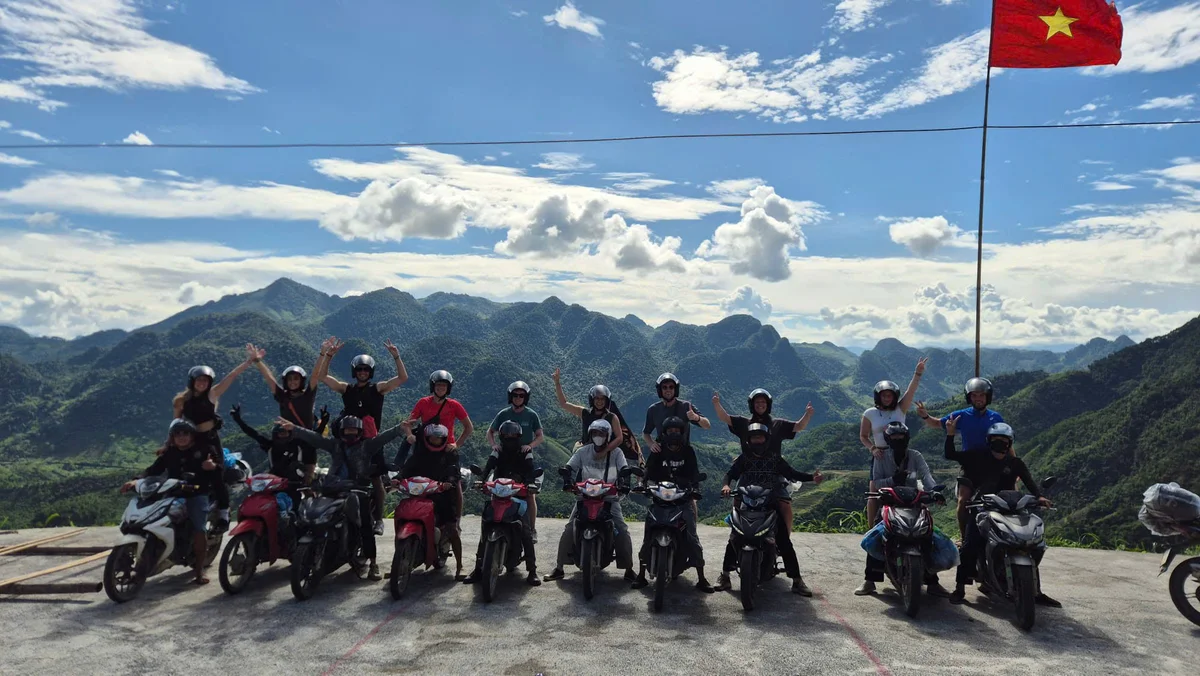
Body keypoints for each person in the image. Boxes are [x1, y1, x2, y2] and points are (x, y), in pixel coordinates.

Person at [943, 418, 1060, 608]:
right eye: (996, 440)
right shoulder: (977, 456)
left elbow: (1029, 482)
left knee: (1030, 544)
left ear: (1010, 443)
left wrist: (1039, 496)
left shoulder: (1015, 463)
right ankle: (959, 589)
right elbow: (950, 454)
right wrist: (950, 434)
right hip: (982, 506)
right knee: (970, 544)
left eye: (1005, 441)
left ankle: (1035, 591)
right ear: (989, 441)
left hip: (1011, 507)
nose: (1001, 444)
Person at [277, 415, 405, 581]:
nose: (350, 433)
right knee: (311, 514)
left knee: (365, 525)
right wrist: (295, 429)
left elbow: (383, 438)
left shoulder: (367, 446)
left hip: (357, 489)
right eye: (347, 430)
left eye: (353, 430)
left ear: (359, 431)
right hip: (333, 488)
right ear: (342, 431)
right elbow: (316, 439)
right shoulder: (335, 445)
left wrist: (399, 428)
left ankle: (373, 564)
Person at [717, 422, 824, 596]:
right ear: (749, 440)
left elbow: (792, 473)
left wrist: (812, 477)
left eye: (760, 437)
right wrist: (725, 486)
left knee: (783, 540)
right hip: (747, 504)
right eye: (754, 437)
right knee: (734, 538)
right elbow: (730, 474)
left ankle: (797, 580)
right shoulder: (744, 458)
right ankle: (725, 576)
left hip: (769, 505)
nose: (757, 441)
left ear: (766, 440)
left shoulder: (774, 459)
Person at [322, 339, 408, 537]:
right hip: (349, 441)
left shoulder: (378, 389)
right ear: (354, 371)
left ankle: (378, 519)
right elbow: (323, 377)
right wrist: (328, 355)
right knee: (340, 476)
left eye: (366, 370)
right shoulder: (346, 389)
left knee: (376, 480)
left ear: (371, 372)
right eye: (359, 370)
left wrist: (396, 356)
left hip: (371, 442)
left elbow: (402, 378)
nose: (363, 373)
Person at [854, 421, 950, 597]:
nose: (898, 440)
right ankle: (870, 580)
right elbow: (876, 482)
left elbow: (926, 476)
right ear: (888, 439)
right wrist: (893, 480)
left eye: (901, 437)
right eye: (894, 437)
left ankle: (933, 582)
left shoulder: (915, 456)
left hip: (913, 501)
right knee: (878, 533)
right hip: (890, 502)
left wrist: (934, 491)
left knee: (927, 534)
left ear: (907, 438)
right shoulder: (880, 457)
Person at [121, 418, 223, 585]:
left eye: (185, 433)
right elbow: (153, 470)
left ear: (192, 435)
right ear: (173, 437)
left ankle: (199, 570)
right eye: (178, 434)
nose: (182, 437)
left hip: (197, 493)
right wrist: (136, 480)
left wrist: (212, 466)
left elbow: (218, 467)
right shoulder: (170, 453)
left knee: (199, 527)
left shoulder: (205, 450)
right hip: (172, 492)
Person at [712, 389, 815, 549]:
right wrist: (717, 404)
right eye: (757, 402)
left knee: (784, 504)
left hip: (774, 473)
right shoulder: (743, 423)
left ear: (768, 405)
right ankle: (736, 536)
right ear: (752, 405)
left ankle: (784, 541)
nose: (760, 405)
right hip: (749, 472)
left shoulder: (778, 424)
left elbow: (798, 426)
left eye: (763, 402)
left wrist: (807, 414)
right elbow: (724, 418)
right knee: (738, 501)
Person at [172, 346, 259, 532]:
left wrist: (249, 362)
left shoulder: (212, 395)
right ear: (192, 381)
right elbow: (176, 425)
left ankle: (223, 513)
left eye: (205, 380)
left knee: (216, 475)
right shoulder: (181, 400)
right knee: (177, 470)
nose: (202, 383)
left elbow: (231, 376)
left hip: (210, 441)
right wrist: (168, 444)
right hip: (190, 442)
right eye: (199, 380)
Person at [543, 419, 637, 582]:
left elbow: (624, 469)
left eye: (601, 433)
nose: (598, 436)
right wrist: (567, 478)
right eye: (595, 433)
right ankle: (559, 568)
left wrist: (625, 483)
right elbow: (569, 467)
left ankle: (628, 569)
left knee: (621, 529)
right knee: (569, 528)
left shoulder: (616, 453)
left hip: (609, 497)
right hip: (585, 496)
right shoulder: (583, 451)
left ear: (608, 436)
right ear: (590, 435)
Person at [630, 416, 714, 592]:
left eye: (677, 431)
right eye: (670, 431)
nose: (674, 434)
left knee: (692, 536)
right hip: (660, 499)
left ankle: (701, 576)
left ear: (682, 433)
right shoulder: (658, 451)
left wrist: (695, 488)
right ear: (664, 433)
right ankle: (641, 574)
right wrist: (642, 485)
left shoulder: (688, 451)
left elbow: (695, 474)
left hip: (682, 501)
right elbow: (648, 471)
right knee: (648, 534)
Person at [917, 377, 1005, 540]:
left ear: (988, 397)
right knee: (963, 501)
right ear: (969, 398)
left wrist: (1013, 464)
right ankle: (965, 538)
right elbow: (937, 424)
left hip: (993, 465)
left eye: (981, 395)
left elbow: (1006, 442)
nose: (978, 399)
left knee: (1009, 498)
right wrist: (925, 416)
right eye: (974, 395)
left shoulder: (996, 418)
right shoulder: (961, 416)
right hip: (969, 465)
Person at [463, 420, 541, 587]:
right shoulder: (498, 451)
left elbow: (530, 470)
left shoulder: (525, 451)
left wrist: (529, 484)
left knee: (525, 530)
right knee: (486, 526)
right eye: (506, 436)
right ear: (501, 437)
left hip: (517, 494)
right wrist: (481, 480)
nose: (509, 438)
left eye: (513, 436)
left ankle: (532, 570)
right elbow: (488, 468)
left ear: (519, 437)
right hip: (499, 493)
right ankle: (478, 568)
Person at [408, 370, 474, 549]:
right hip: (424, 449)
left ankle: (456, 522)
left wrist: (456, 444)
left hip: (446, 450)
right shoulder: (423, 402)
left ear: (448, 388)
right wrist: (409, 435)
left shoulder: (454, 405)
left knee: (455, 485)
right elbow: (410, 422)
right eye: (438, 385)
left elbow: (468, 427)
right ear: (433, 387)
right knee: (415, 481)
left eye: (444, 386)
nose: (440, 388)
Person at [859, 358, 927, 529]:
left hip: (902, 454)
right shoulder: (869, 413)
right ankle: (872, 529)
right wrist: (872, 448)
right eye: (884, 395)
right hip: (880, 455)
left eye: (890, 395)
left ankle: (910, 524)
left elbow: (911, 391)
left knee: (909, 491)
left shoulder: (900, 409)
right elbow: (863, 436)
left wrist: (918, 373)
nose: (887, 398)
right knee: (874, 493)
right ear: (878, 396)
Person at [399, 422, 467, 580]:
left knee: (452, 528)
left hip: (442, 495)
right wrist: (397, 478)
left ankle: (460, 565)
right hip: (420, 493)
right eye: (432, 438)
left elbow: (454, 469)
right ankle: (400, 562)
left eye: (439, 438)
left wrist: (449, 481)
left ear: (444, 438)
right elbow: (407, 468)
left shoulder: (450, 452)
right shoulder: (420, 452)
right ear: (427, 438)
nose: (436, 440)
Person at [485, 381, 545, 542]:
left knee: (529, 495)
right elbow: (490, 432)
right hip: (504, 456)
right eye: (515, 395)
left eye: (521, 396)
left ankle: (531, 528)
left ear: (526, 398)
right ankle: (494, 522)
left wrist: (530, 445)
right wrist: (494, 445)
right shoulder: (503, 414)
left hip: (523, 458)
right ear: (510, 397)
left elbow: (540, 436)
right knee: (496, 492)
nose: (518, 398)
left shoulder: (531, 415)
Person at [230, 403, 327, 488]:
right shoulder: (270, 446)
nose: (283, 435)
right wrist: (238, 420)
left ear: (290, 433)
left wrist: (323, 423)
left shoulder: (297, 444)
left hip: (297, 482)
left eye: (285, 432)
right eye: (280, 432)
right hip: (274, 482)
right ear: (275, 434)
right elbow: (253, 434)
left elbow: (313, 438)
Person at [552, 368, 630, 458]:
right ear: (592, 399)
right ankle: (569, 469)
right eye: (597, 398)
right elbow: (564, 404)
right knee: (576, 455)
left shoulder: (612, 417)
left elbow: (619, 438)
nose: (599, 401)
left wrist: (605, 451)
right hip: (585, 449)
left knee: (618, 455)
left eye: (602, 399)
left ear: (607, 401)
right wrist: (557, 383)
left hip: (606, 450)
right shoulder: (584, 412)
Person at [643, 373, 710, 452]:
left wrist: (696, 417)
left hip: (683, 453)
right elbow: (646, 433)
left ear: (676, 389)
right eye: (664, 387)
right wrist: (651, 444)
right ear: (660, 390)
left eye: (671, 387)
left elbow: (707, 425)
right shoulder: (653, 410)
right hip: (662, 453)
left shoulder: (686, 406)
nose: (668, 390)